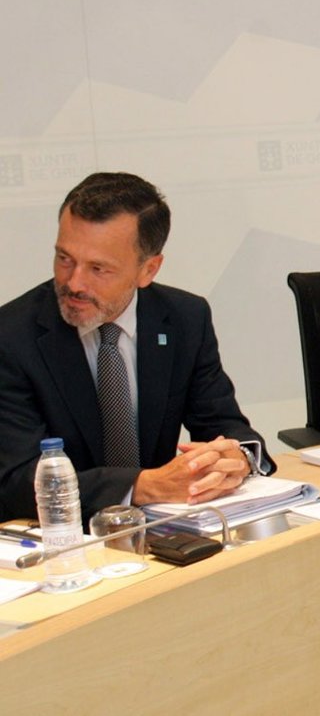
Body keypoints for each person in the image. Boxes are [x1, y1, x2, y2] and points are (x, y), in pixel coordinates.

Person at [0, 172, 272, 522]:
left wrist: (237, 458)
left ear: (149, 270)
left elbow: (222, 424)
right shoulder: (12, 337)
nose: (74, 282)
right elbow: (17, 481)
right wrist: (143, 486)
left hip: (164, 529)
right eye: (65, 258)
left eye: (98, 268)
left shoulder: (185, 318)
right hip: (60, 535)